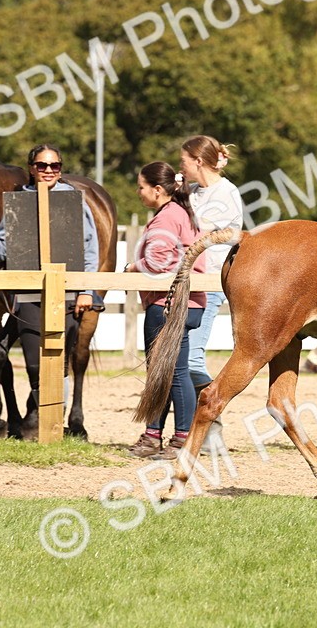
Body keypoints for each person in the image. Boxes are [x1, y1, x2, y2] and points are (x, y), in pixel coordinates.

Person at [0, 145, 99, 415]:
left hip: (67, 292)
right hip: (29, 294)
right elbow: (2, 249)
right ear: (32, 168)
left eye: (55, 166)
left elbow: (90, 249)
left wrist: (87, 290)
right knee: (34, 366)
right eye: (42, 165)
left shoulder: (75, 201)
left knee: (60, 361)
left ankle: (55, 423)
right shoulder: (18, 202)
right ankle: (45, 416)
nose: (49, 171)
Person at [126, 162, 207, 459]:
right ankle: (156, 434)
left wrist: (132, 267)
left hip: (168, 303)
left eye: (141, 186)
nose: (139, 192)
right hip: (187, 302)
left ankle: (180, 438)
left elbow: (158, 263)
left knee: (172, 372)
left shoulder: (165, 219)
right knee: (167, 371)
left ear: (157, 190)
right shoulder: (183, 214)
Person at [180, 134, 243, 453]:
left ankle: (212, 426)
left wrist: (196, 238)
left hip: (210, 280)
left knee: (192, 356)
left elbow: (233, 234)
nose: (182, 166)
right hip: (188, 278)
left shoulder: (226, 192)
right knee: (183, 355)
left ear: (198, 161)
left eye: (184, 161)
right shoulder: (192, 192)